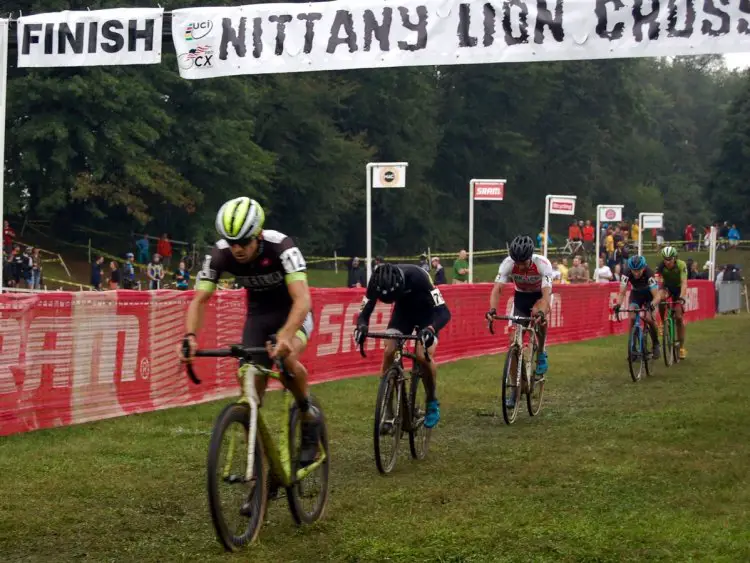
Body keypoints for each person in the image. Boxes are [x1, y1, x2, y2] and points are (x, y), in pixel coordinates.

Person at [180, 197, 321, 466]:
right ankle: (257, 469)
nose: (238, 249)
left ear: (258, 235)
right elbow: (199, 300)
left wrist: (285, 335)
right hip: (259, 317)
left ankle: (307, 415)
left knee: (287, 360)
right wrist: (190, 337)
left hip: (294, 313)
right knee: (249, 383)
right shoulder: (220, 254)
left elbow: (303, 300)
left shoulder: (281, 247)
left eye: (244, 242)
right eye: (232, 243)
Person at [354, 262, 451, 429]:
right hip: (403, 314)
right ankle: (388, 407)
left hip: (427, 315)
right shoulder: (376, 281)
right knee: (389, 349)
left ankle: (431, 400)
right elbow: (364, 312)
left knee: (422, 355)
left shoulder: (420, 277)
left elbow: (444, 312)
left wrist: (431, 328)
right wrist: (361, 327)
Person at [486, 235, 553, 405]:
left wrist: (542, 311)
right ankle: (515, 388)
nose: (520, 266)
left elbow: (546, 295)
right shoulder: (508, 263)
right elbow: (497, 290)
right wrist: (492, 310)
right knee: (512, 341)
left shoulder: (542, 264)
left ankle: (541, 351)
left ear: (530, 257)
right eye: (518, 262)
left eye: (523, 262)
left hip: (539, 296)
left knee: (540, 314)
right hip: (521, 299)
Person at [614, 255, 662, 359]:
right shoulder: (626, 272)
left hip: (650, 294)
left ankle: (656, 343)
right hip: (636, 294)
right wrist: (618, 304)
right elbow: (622, 293)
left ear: (643, 268)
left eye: (638, 271)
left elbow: (657, 297)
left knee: (649, 318)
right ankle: (633, 347)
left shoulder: (649, 273)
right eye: (633, 270)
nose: (636, 273)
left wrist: (652, 305)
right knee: (631, 317)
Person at [654, 247, 688, 359]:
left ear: (675, 258)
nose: (667, 262)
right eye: (665, 259)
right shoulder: (661, 266)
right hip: (667, 287)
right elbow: (658, 282)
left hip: (678, 290)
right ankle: (662, 323)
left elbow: (684, 283)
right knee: (661, 298)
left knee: (678, 317)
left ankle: (682, 347)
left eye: (670, 259)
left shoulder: (681, 265)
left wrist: (682, 297)